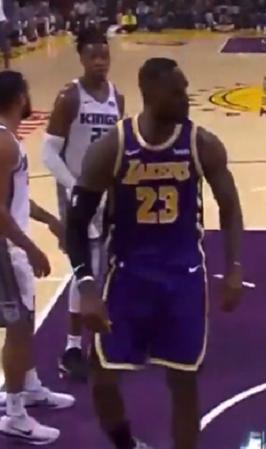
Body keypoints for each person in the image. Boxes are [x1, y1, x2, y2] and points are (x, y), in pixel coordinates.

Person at [66, 57, 244, 449]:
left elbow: (230, 206)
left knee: (183, 383)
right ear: (150, 92)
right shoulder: (114, 146)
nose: (186, 98)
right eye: (176, 91)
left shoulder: (202, 143)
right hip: (128, 278)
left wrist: (234, 267)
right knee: (102, 379)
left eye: (185, 89)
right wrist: (86, 285)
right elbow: (76, 223)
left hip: (183, 279)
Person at [42, 26, 124, 382]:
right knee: (84, 266)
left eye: (104, 55)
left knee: (102, 265)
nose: (100, 62)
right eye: (93, 56)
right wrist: (76, 187)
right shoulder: (70, 97)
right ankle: (73, 348)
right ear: (81, 58)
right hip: (76, 189)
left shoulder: (117, 98)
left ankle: (94, 340)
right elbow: (48, 153)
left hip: (105, 191)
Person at [0, 71, 75, 444]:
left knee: (25, 324)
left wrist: (49, 221)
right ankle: (15, 414)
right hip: (6, 248)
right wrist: (29, 247)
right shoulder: (4, 144)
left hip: (12, 244)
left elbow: (14, 197)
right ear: (19, 98)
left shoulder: (8, 140)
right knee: (18, 329)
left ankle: (28, 387)